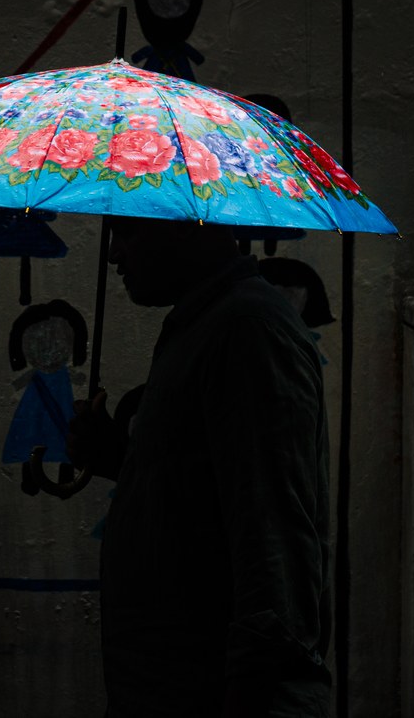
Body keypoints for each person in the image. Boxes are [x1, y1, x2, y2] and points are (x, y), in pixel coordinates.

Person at [69, 215, 332, 717]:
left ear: (186, 223)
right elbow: (205, 500)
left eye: (126, 231)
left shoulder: (247, 331)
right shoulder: (209, 324)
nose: (113, 254)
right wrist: (120, 461)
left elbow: (271, 538)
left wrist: (250, 697)